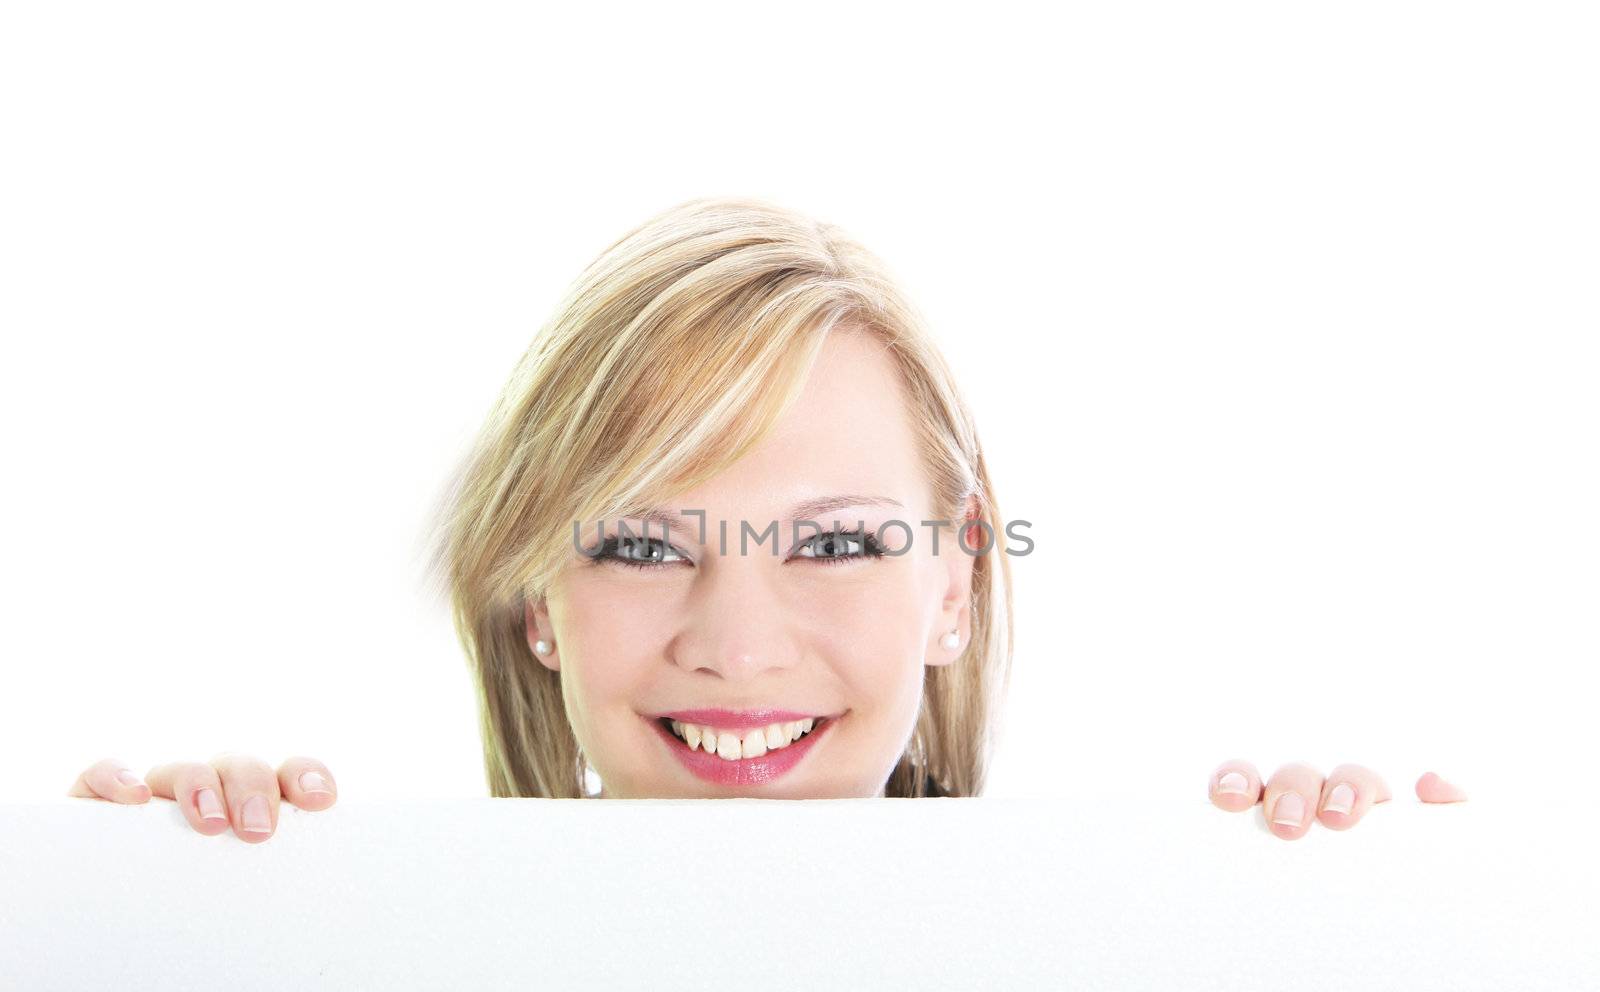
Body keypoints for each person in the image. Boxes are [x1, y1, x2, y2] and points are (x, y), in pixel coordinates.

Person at [66, 197, 1468, 838]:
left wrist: (1356, 940)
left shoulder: (1131, 968)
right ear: (535, 605)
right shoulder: (362, 976)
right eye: (637, 544)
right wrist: (149, 923)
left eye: (840, 542)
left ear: (957, 588)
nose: (737, 651)